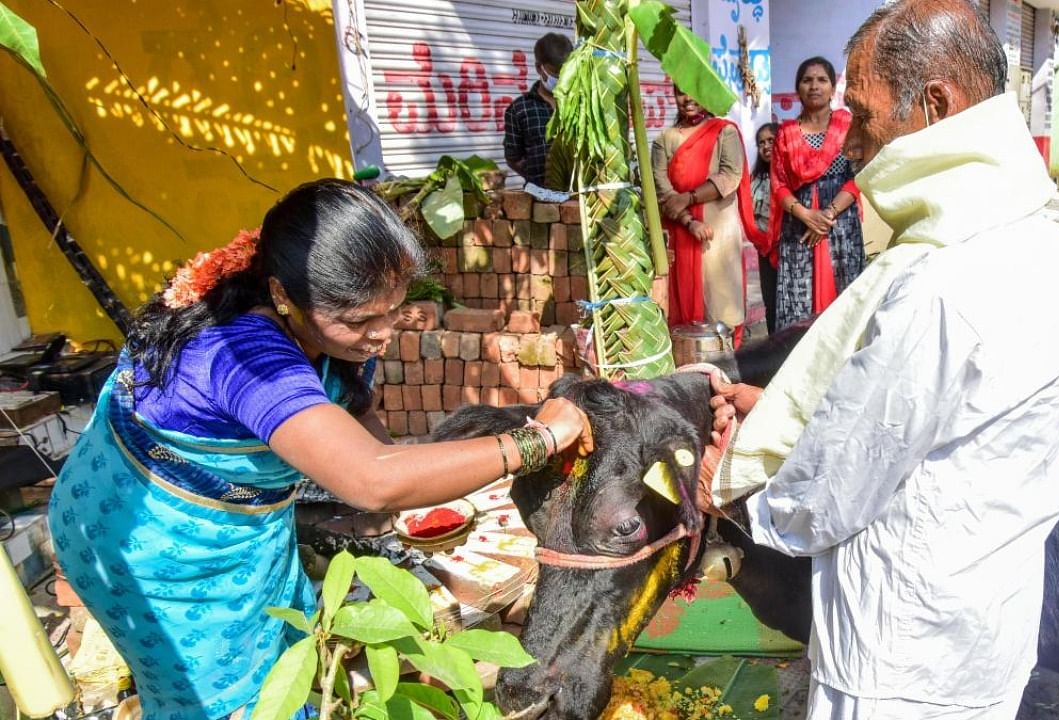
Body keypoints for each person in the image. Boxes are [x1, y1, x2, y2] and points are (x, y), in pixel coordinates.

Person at [48, 179, 593, 720]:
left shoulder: (330, 331)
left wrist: (421, 477)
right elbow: (371, 480)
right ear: (283, 295)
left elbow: (361, 427)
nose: (381, 335)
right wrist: (539, 439)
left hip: (243, 522)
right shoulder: (242, 352)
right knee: (230, 702)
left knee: (292, 665)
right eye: (360, 321)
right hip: (157, 547)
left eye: (393, 311)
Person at [699, 1, 1059, 718]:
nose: (852, 143)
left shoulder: (941, 282)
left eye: (867, 117)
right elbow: (932, 420)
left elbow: (827, 494)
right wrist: (791, 419)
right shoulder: (1037, 235)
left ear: (935, 104)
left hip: (900, 657)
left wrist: (732, 487)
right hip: (979, 628)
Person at [651, 85, 768, 343]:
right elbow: (662, 191)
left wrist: (689, 197)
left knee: (720, 303)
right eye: (681, 92)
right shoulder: (663, 141)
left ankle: (727, 366)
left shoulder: (725, 132)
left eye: (693, 91)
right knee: (683, 309)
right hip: (681, 233)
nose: (688, 98)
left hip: (719, 235)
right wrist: (689, 220)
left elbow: (730, 176)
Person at [771, 56, 866, 330]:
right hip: (798, 228)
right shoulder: (786, 132)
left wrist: (825, 216)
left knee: (843, 294)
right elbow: (778, 184)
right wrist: (805, 215)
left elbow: (859, 174)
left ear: (832, 87)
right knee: (799, 301)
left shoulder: (848, 126)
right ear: (797, 87)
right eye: (807, 80)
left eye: (822, 80)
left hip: (839, 224)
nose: (814, 86)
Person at [503, 32, 572, 187]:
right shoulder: (519, 109)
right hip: (539, 196)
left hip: (577, 197)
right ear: (539, 68)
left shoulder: (581, 105)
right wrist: (537, 176)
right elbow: (513, 158)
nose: (561, 79)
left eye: (566, 73)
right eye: (555, 73)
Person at [750, 122, 779, 334]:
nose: (766, 146)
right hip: (765, 250)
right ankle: (772, 347)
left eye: (771, 140)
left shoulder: (791, 175)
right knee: (770, 300)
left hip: (787, 247)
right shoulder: (756, 179)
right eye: (761, 143)